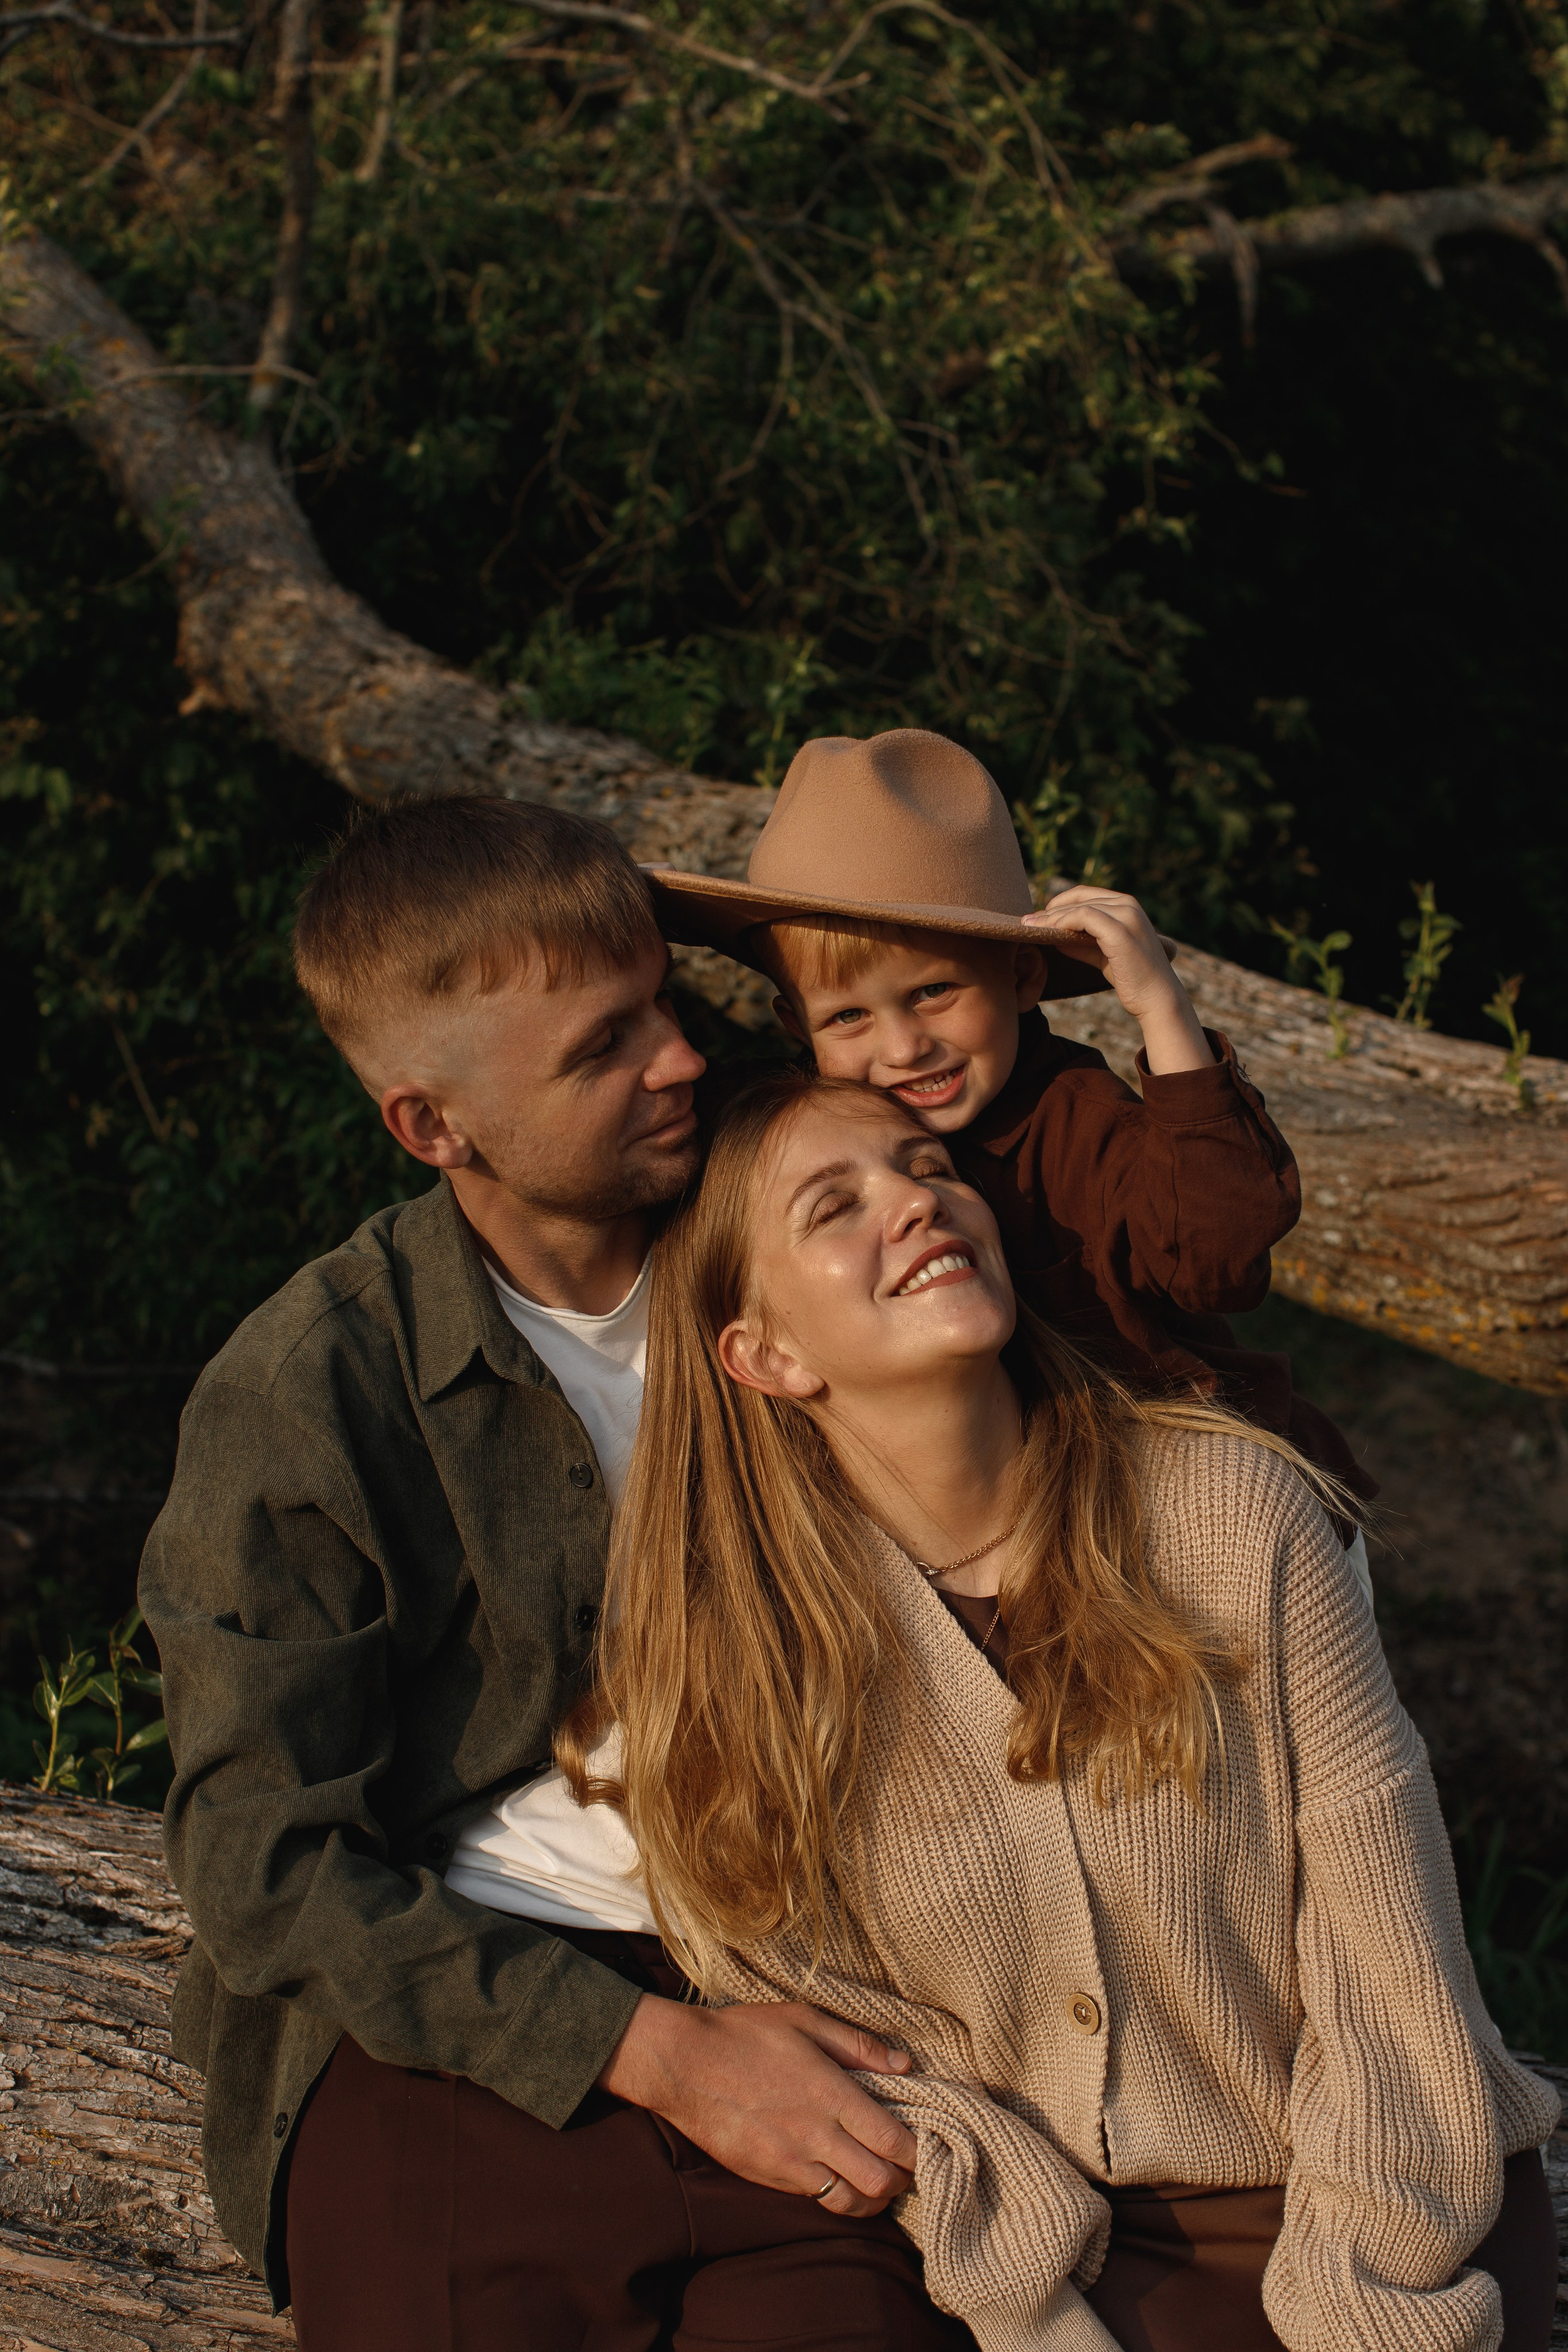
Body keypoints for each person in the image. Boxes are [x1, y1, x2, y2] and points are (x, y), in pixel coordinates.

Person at [138, 796, 970, 2351]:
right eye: (601, 1050)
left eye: (662, 1003)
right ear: (432, 1126)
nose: (676, 1059)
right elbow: (260, 1867)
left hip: (797, 1985)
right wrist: (657, 2055)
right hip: (451, 2028)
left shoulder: (794, 1234)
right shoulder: (309, 1394)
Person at [560, 1067, 1560, 2352]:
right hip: (1071, 2258)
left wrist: (1362, 2296)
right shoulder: (747, 1665)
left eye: (926, 1167)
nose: (916, 1204)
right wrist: (1026, 2293)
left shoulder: (1230, 1514)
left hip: (1386, 2200)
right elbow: (827, 2031)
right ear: (764, 1354)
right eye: (835, 1205)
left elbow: (1390, 1965)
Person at [646, 728, 1376, 1550]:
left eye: (933, 993)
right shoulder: (814, 1133)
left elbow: (1217, 1250)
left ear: (1025, 978)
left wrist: (1164, 1015)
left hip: (1216, 1516)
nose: (901, 1048)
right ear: (796, 1026)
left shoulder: (1075, 1115)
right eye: (848, 1016)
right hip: (1033, 1525)